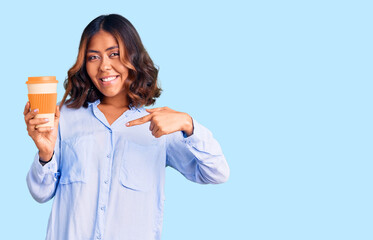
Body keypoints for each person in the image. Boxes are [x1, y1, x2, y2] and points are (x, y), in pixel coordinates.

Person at [24, 14, 229, 240]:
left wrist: (189, 124)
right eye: (93, 57)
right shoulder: (63, 116)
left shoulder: (160, 125)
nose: (104, 66)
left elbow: (217, 173)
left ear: (133, 57)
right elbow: (40, 193)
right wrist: (45, 154)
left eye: (114, 54)